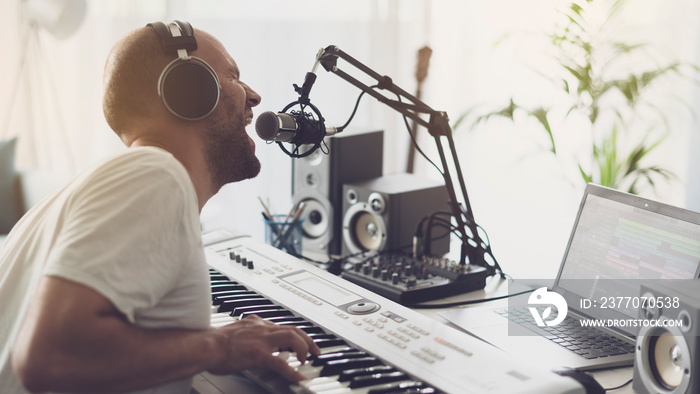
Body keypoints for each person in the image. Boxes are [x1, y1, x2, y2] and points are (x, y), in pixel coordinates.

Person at [0, 21, 319, 393]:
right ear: (189, 89)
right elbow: (50, 358)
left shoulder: (70, 199)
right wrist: (220, 345)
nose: (254, 96)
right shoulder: (155, 174)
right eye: (234, 77)